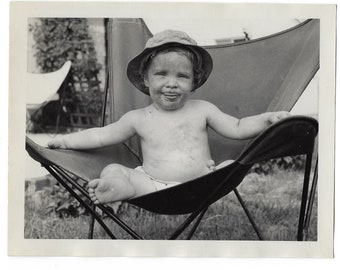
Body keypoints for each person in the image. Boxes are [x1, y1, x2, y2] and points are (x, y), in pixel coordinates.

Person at [48, 29, 290, 205]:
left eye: (182, 76)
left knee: (230, 166)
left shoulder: (203, 109)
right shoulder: (138, 118)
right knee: (114, 169)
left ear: (194, 81)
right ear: (146, 79)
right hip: (152, 186)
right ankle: (116, 188)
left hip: (201, 183)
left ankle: (214, 176)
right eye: (161, 74)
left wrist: (267, 119)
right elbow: (101, 136)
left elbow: (237, 127)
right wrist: (67, 141)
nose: (171, 84)